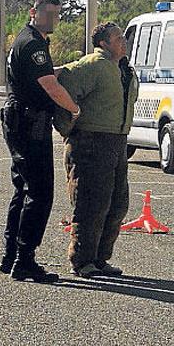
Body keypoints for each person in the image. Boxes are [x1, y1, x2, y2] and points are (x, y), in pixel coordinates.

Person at [0, 0, 81, 283]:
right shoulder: (33, 43)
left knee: (22, 189)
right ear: (34, 11)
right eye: (48, 13)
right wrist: (73, 109)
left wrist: (68, 68)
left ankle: (11, 255)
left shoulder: (29, 40)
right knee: (40, 191)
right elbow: (48, 85)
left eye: (58, 14)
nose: (53, 19)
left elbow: (43, 74)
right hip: (29, 121)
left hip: (20, 118)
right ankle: (24, 260)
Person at [54, 22, 138, 278]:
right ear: (103, 43)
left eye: (123, 37)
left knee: (116, 204)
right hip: (91, 141)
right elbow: (63, 92)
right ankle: (82, 260)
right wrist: (70, 127)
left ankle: (101, 258)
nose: (124, 42)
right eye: (117, 38)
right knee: (91, 203)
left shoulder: (124, 69)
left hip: (117, 140)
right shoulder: (91, 66)